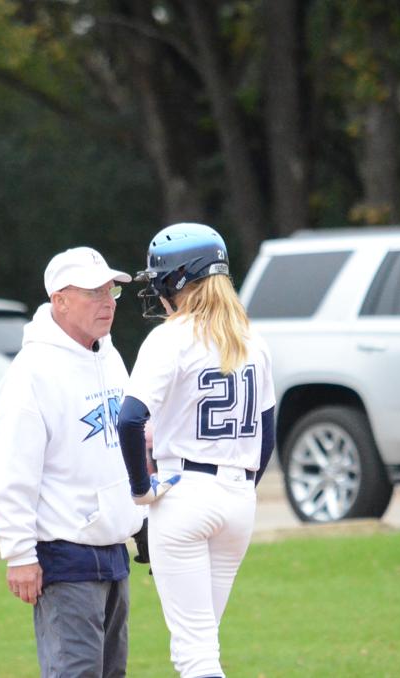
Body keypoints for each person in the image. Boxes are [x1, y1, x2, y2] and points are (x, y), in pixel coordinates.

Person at [117, 223, 276, 678]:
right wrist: (239, 490)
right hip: (238, 498)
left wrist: (141, 490)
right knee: (204, 646)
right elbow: (267, 435)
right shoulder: (251, 338)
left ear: (178, 279)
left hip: (184, 492)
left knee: (195, 654)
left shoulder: (171, 337)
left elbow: (129, 419)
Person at [0, 246, 146, 678]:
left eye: (111, 290)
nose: (107, 301)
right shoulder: (31, 373)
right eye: (93, 292)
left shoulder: (109, 356)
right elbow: (10, 470)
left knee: (112, 673)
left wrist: (141, 517)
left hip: (113, 551)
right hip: (65, 554)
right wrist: (19, 553)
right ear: (60, 300)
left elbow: (120, 449)